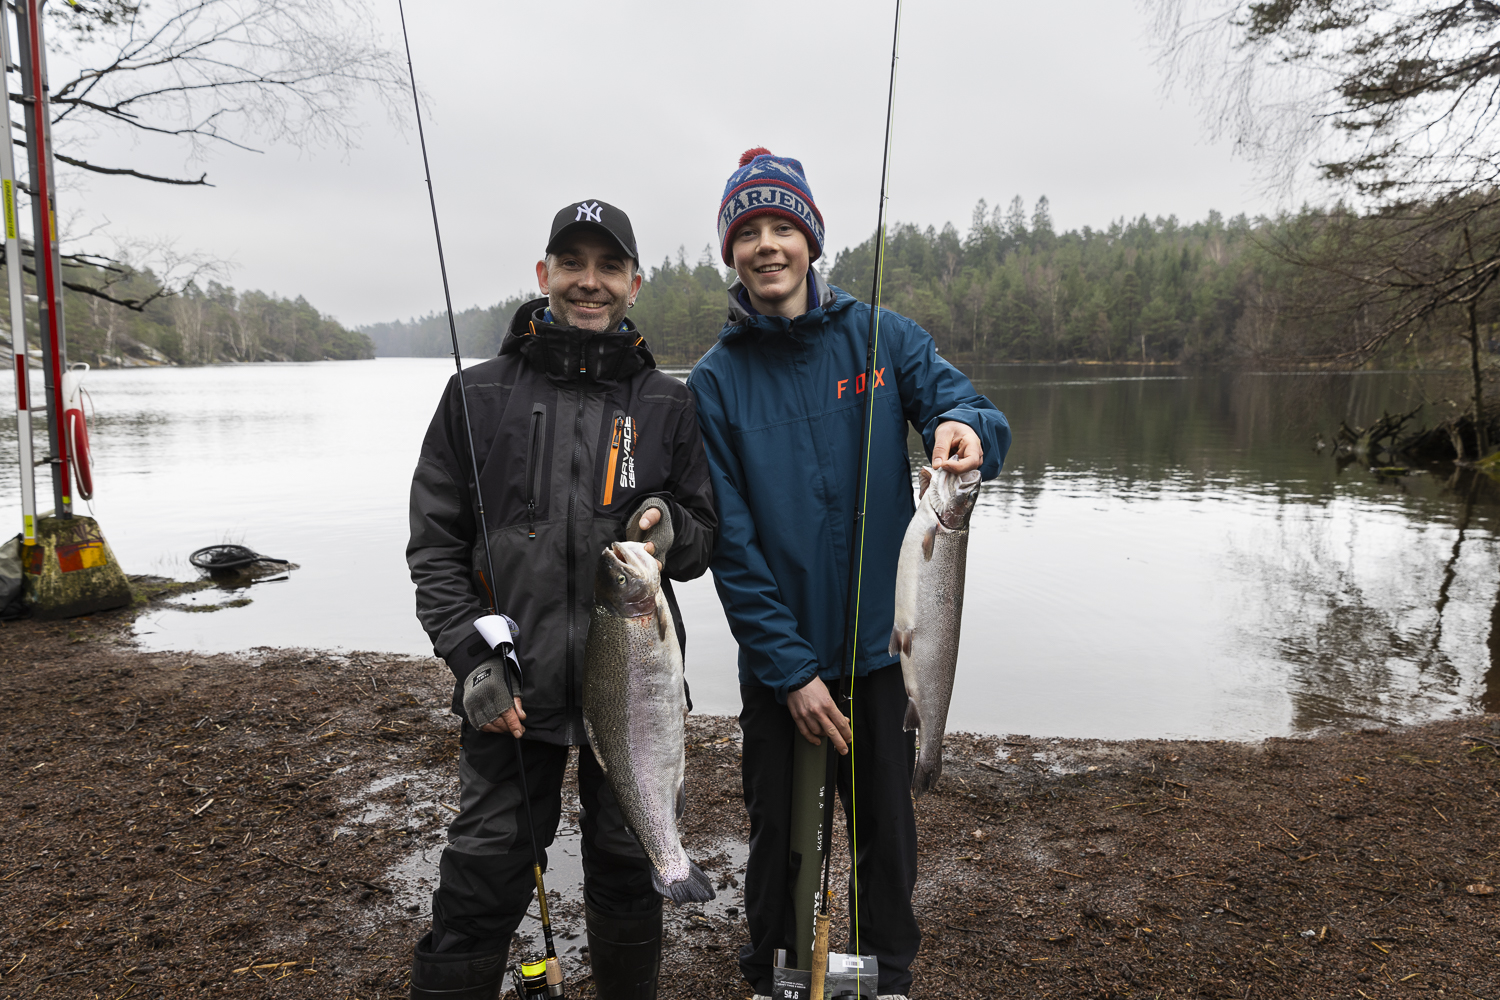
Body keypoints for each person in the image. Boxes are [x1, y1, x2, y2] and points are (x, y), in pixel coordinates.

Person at [687, 150, 1011, 1000]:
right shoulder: (715, 385)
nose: (766, 246)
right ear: (731, 252)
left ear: (811, 237)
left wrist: (970, 433)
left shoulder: (884, 338)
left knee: (887, 842)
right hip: (783, 675)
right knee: (779, 847)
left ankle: (885, 982)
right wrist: (789, 671)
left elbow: (967, 406)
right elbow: (733, 548)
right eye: (747, 231)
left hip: (882, 661)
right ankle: (772, 979)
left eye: (781, 227)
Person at [405, 199, 717, 1000]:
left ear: (635, 283)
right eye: (571, 264)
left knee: (629, 870)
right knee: (483, 875)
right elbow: (435, 549)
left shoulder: (669, 404)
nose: (590, 282)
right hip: (512, 690)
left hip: (636, 690)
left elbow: (704, 540)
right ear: (542, 275)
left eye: (608, 266)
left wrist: (670, 526)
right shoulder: (474, 397)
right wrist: (474, 661)